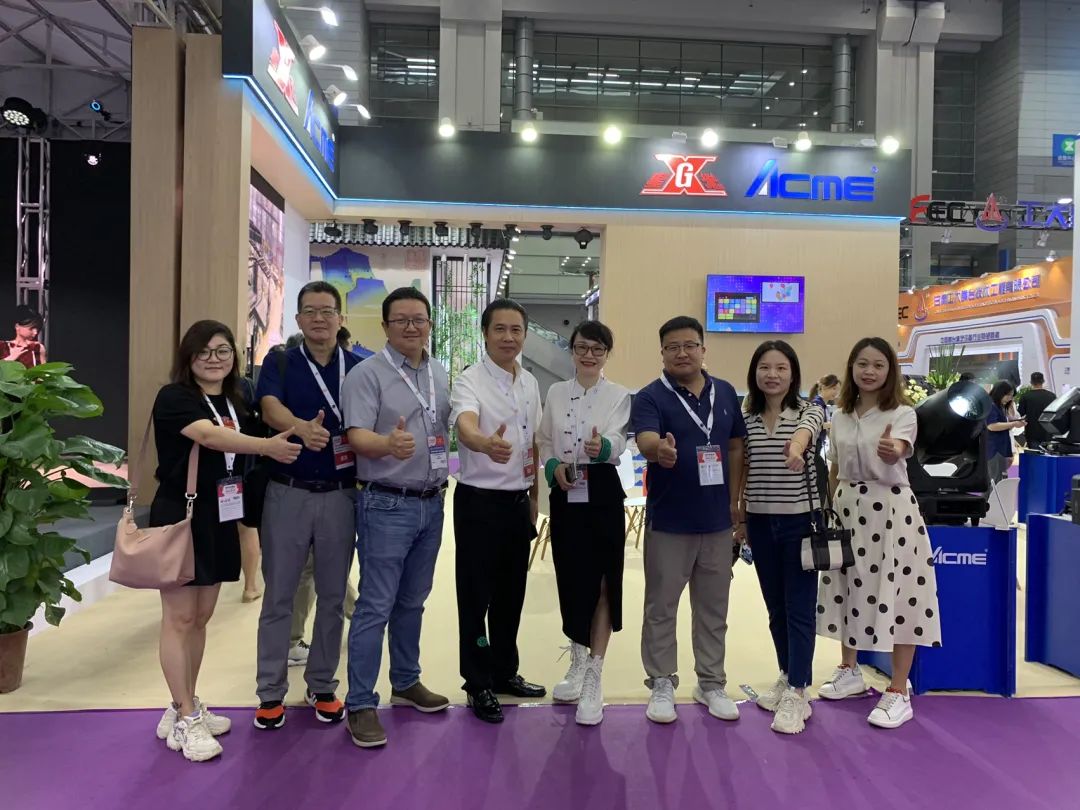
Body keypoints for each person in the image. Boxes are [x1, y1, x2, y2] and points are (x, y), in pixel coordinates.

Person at [150, 320, 300, 761]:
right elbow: (209, 435)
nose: (214, 359)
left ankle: (185, 704)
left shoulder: (238, 398)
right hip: (182, 515)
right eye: (204, 351)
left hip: (220, 514)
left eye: (223, 350)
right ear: (188, 356)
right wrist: (266, 447)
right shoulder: (175, 397)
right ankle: (186, 716)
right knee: (179, 618)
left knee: (200, 617)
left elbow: (251, 431)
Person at [341, 287, 452, 748]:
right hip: (386, 502)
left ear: (430, 325)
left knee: (413, 601)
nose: (411, 326)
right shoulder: (367, 374)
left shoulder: (439, 372)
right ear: (385, 326)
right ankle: (360, 703)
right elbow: (355, 436)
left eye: (419, 319)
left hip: (432, 501)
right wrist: (387, 444)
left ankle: (405, 681)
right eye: (401, 319)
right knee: (375, 605)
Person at [816, 336, 941, 730]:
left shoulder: (902, 413)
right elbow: (834, 466)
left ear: (890, 371)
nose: (869, 371)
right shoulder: (840, 414)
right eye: (862, 364)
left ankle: (898, 690)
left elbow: (900, 447)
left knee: (902, 594)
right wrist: (828, 507)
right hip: (847, 508)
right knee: (848, 587)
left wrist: (893, 450)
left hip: (890, 512)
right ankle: (849, 670)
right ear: (851, 368)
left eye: (878, 365)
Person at [253, 281, 361, 730]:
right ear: (298, 319)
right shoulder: (280, 361)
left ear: (340, 318)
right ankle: (270, 692)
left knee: (333, 597)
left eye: (327, 311)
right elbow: (268, 406)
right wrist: (301, 427)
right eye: (311, 311)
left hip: (341, 495)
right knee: (279, 596)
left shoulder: (359, 367)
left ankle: (322, 684)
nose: (319, 318)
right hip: (288, 492)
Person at [631, 315, 747, 725]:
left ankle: (711, 683)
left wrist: (735, 501)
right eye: (673, 347)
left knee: (713, 608)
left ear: (702, 349)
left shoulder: (726, 392)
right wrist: (658, 451)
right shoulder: (651, 397)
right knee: (661, 608)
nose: (682, 353)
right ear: (662, 353)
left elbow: (735, 448)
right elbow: (645, 438)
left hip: (717, 523)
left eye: (690, 345)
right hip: (670, 521)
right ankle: (662, 682)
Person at [450, 298, 546, 723]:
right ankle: (477, 682)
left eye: (516, 330)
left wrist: (534, 499)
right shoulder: (469, 380)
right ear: (485, 334)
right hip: (479, 503)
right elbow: (465, 425)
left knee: (511, 595)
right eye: (500, 329)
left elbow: (534, 443)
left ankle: (505, 672)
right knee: (475, 597)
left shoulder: (530, 382)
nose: (509, 337)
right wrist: (483, 443)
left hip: (517, 503)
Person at [538, 320, 631, 726]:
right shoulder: (556, 393)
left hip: (603, 490)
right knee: (571, 578)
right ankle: (576, 659)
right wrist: (552, 466)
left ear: (607, 354)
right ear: (572, 350)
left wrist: (603, 446)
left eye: (597, 349)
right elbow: (544, 441)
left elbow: (621, 440)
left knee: (605, 580)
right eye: (582, 347)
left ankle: (595, 672)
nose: (589, 355)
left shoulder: (619, 395)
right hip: (567, 489)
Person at [737, 340, 824, 735]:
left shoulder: (809, 411)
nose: (772, 375)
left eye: (781, 368)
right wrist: (741, 517)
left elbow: (805, 433)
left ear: (793, 374)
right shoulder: (746, 417)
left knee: (799, 608)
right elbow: (743, 466)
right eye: (765, 368)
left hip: (800, 523)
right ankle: (788, 674)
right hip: (760, 522)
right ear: (754, 373)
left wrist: (797, 448)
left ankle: (799, 691)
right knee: (775, 608)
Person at [986, 380, 1025, 488]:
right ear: (1000, 392)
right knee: (995, 480)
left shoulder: (1000, 406)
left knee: (999, 479)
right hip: (994, 448)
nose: (1010, 398)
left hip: (1000, 447)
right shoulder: (991, 406)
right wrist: (1013, 424)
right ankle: (991, 499)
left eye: (1011, 396)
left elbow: (1002, 423)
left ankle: (994, 499)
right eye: (1008, 395)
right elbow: (992, 426)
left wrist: (1014, 422)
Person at [808, 373, 840, 504]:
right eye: (833, 388)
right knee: (822, 479)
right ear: (823, 387)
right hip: (812, 449)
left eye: (837, 389)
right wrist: (833, 424)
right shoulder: (816, 405)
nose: (836, 392)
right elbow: (815, 425)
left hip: (818, 447)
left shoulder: (824, 406)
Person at [1018, 372, 1056, 450]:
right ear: (1043, 381)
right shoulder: (1052, 396)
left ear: (1031, 382)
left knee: (1035, 454)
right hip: (1048, 432)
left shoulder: (1025, 396)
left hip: (1032, 432)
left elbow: (1019, 414)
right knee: (1048, 454)